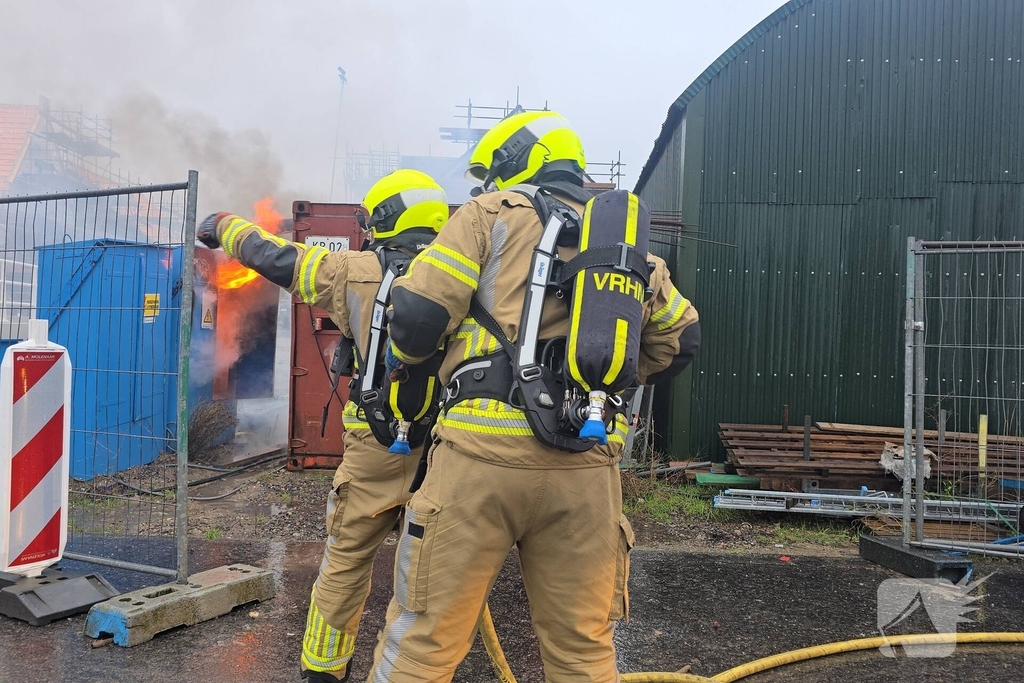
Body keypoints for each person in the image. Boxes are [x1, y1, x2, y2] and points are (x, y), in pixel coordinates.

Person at [367, 111, 701, 682]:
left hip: (479, 462)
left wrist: (411, 362)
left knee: (424, 642)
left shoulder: (488, 215)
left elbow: (418, 318)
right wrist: (603, 381)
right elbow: (681, 339)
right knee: (583, 651)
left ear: (516, 161)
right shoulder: (627, 247)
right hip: (586, 467)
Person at [196, 170, 449, 682]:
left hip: (373, 450)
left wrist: (222, 226)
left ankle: (323, 671)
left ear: (384, 220)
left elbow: (275, 257)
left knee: (345, 561)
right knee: (428, 568)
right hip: (447, 453)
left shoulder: (350, 271)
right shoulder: (469, 276)